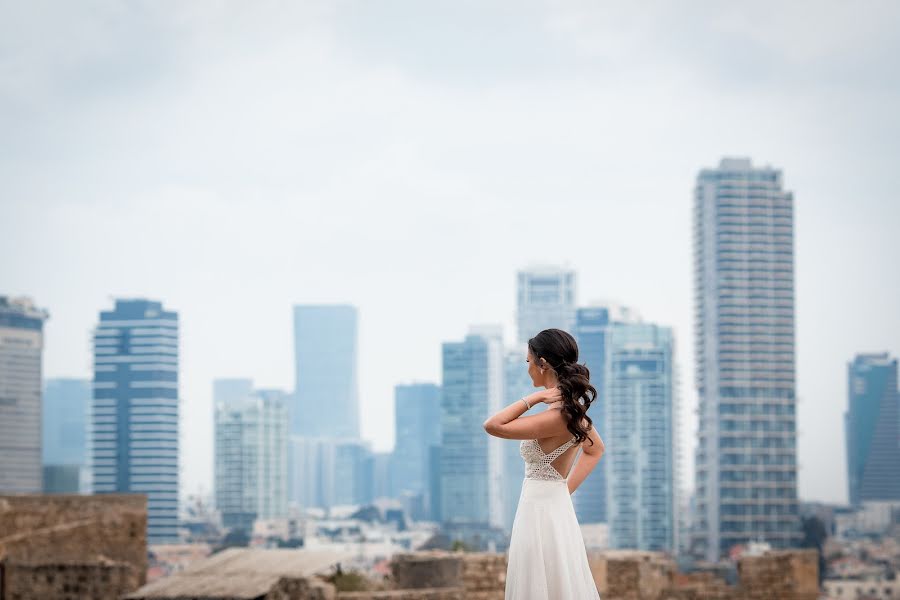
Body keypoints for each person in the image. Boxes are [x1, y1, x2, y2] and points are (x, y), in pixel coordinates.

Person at [483, 328, 605, 599]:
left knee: (542, 583)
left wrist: (533, 398)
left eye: (528, 361)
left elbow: (493, 425)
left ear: (543, 364)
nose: (527, 369)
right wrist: (563, 491)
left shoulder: (557, 417)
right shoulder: (574, 413)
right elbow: (596, 450)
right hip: (551, 507)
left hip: (539, 511)